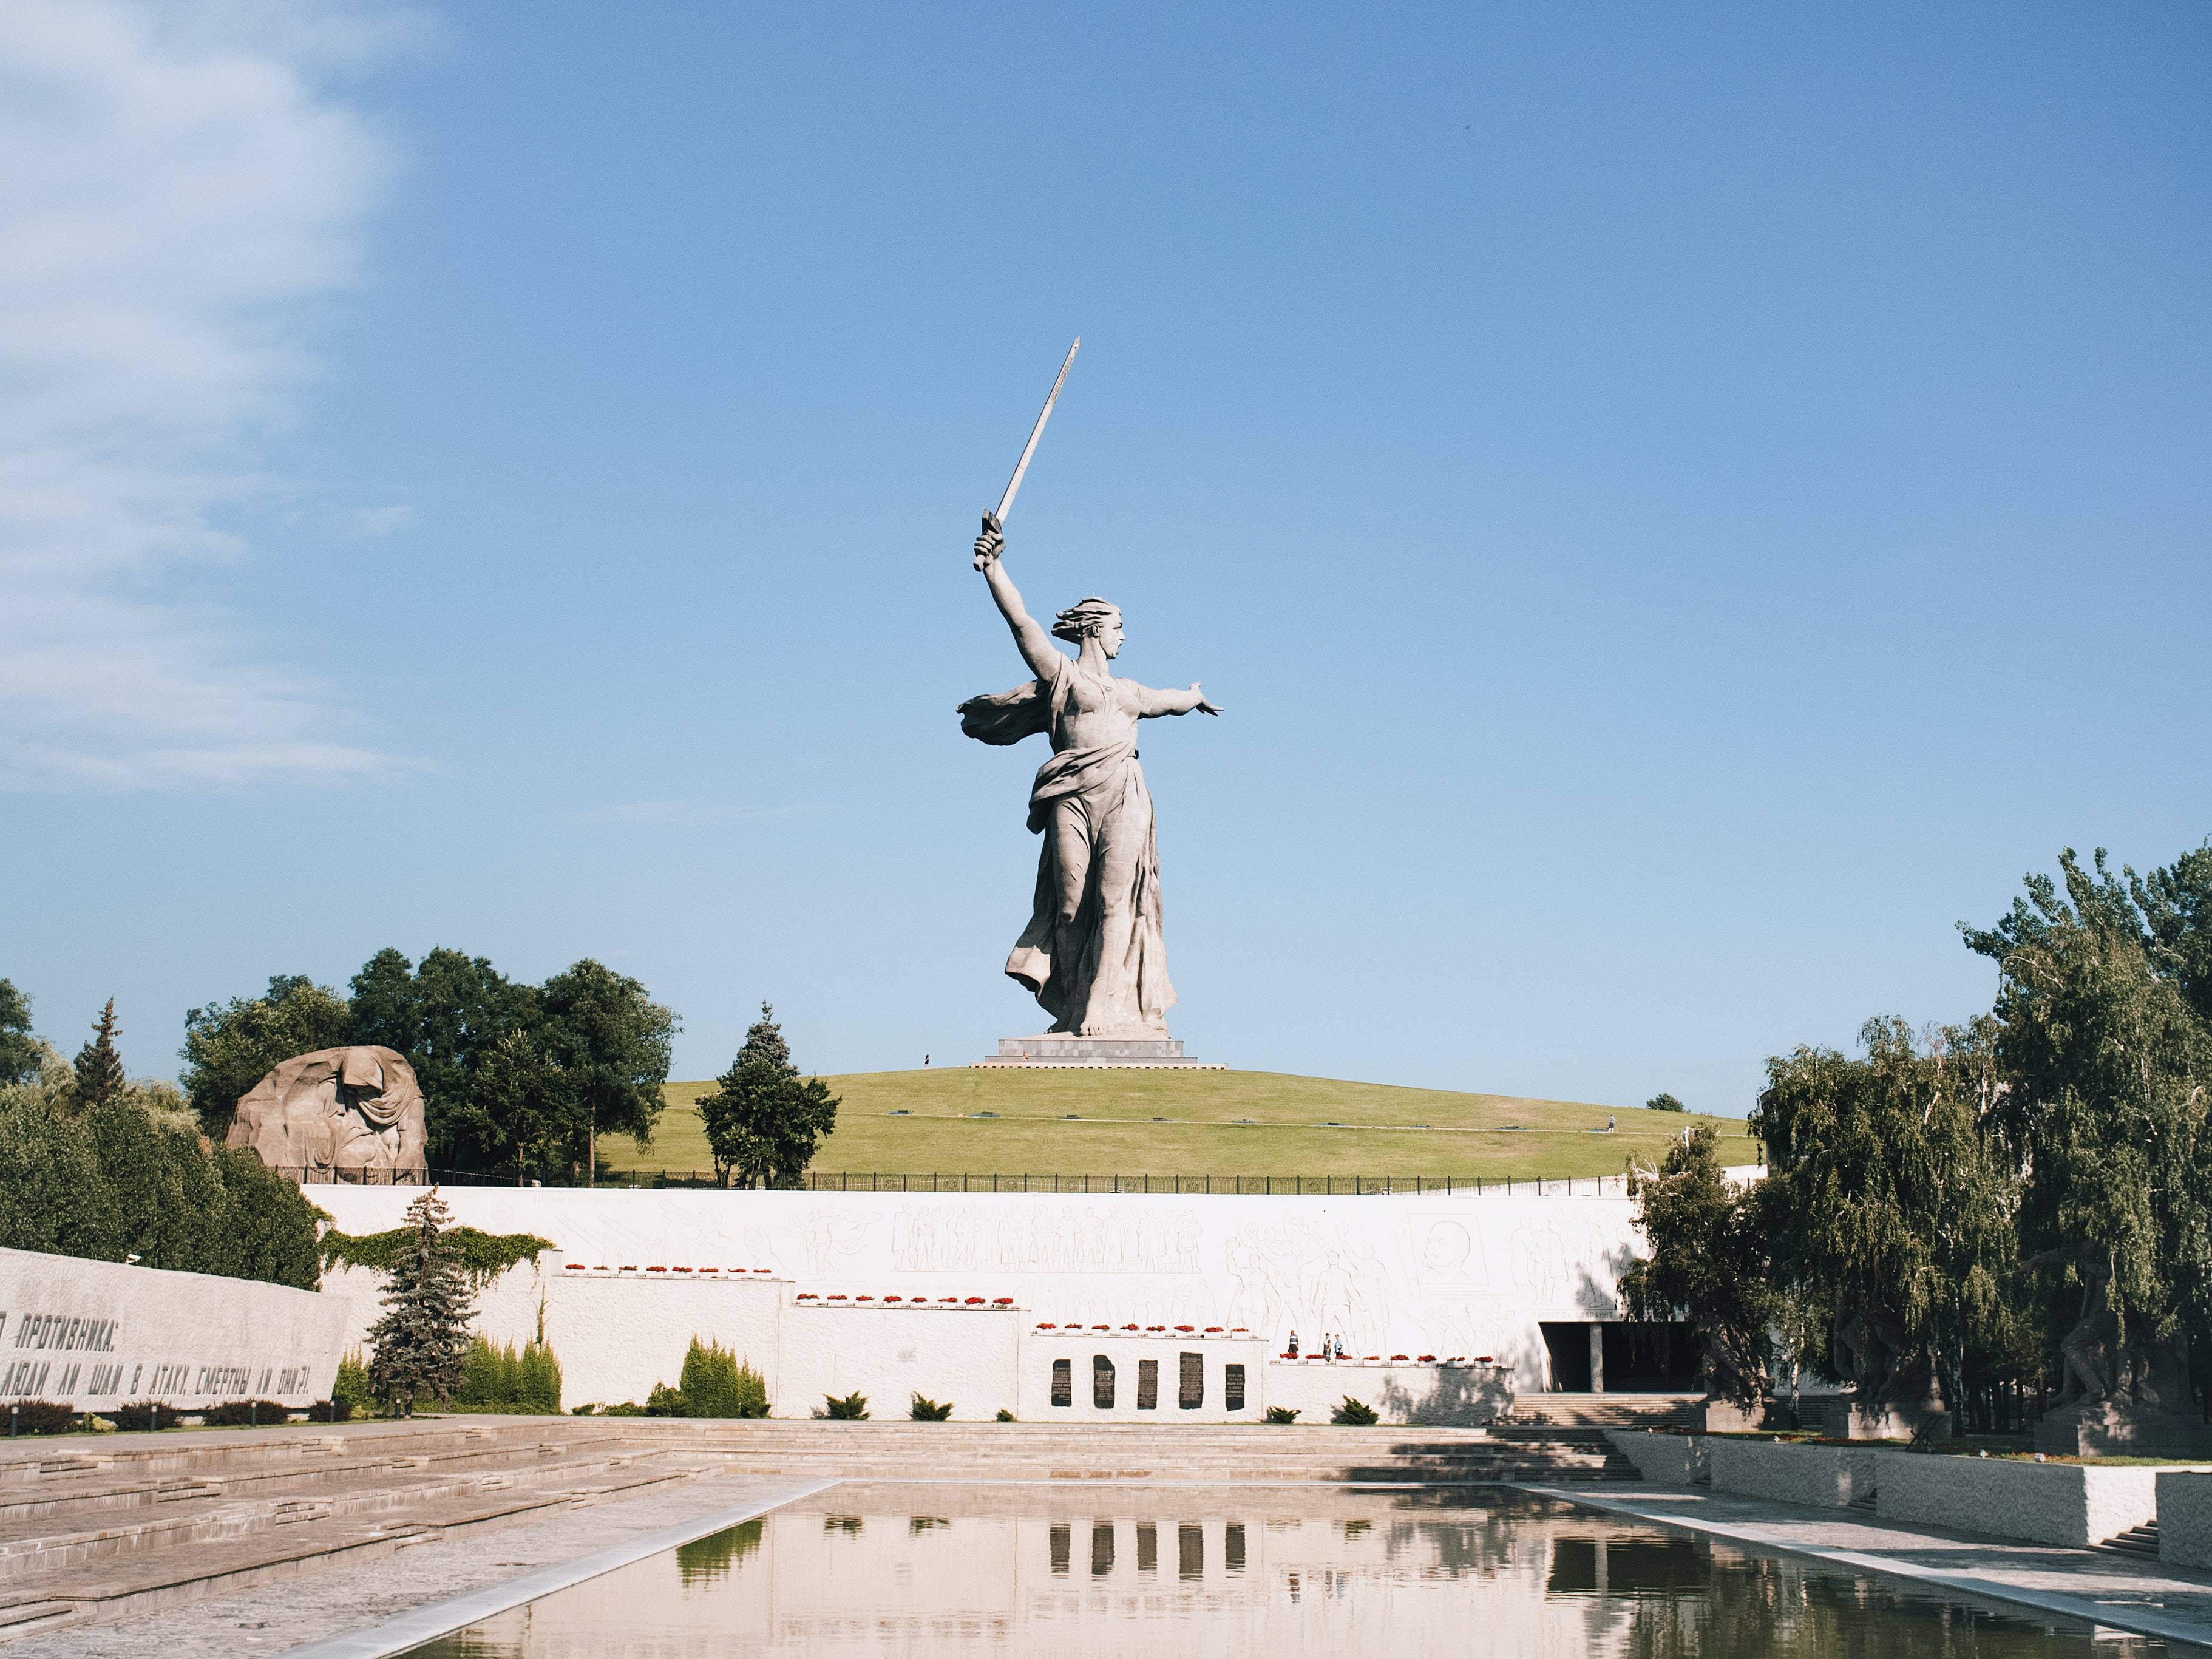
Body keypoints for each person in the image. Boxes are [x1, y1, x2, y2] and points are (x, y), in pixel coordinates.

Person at [960, 516, 1221, 1036]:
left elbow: (1169, 701)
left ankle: (1102, 1007)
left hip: (1124, 795)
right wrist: (993, 568)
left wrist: (1193, 696)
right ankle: (1074, 1005)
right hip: (1071, 797)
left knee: (1114, 900)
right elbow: (1023, 625)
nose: (1125, 635)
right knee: (1073, 904)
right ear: (1095, 628)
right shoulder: (1063, 676)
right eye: (1120, 626)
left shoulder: (1129, 692)